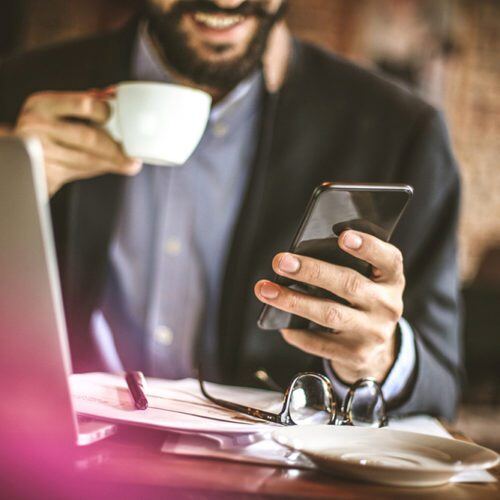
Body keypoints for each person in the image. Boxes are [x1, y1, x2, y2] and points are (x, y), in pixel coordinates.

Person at [0, 0, 461, 419]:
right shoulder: (16, 92)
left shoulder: (401, 132)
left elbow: (440, 382)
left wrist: (378, 356)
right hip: (49, 460)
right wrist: (8, 186)